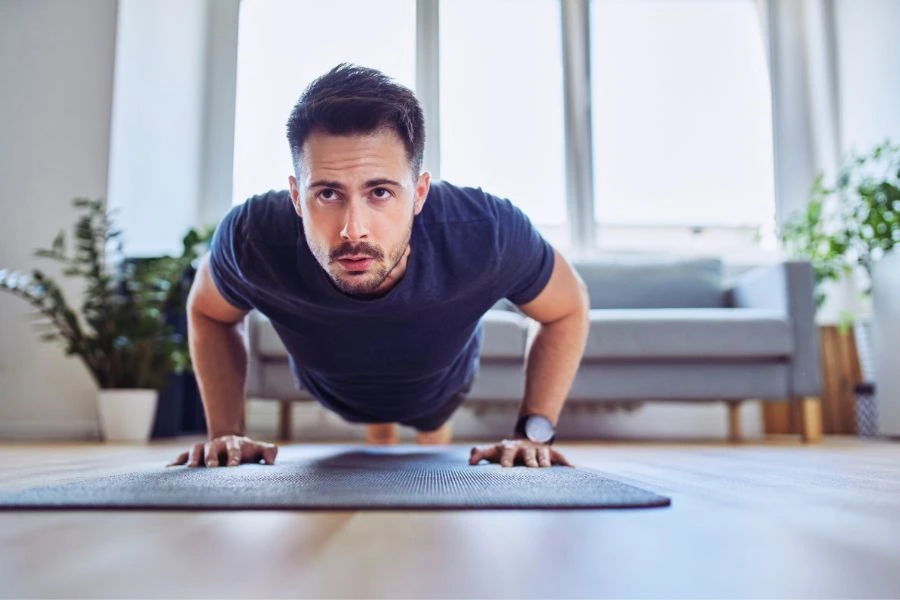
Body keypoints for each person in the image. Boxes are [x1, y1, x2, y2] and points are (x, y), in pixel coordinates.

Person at [168, 64, 589, 470]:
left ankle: (423, 430)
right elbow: (208, 311)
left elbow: (567, 307)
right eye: (328, 194)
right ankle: (382, 429)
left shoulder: (487, 231)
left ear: (420, 193)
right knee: (380, 439)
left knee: (430, 444)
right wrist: (226, 432)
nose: (354, 230)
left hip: (439, 386)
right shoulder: (252, 236)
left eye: (381, 192)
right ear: (296, 197)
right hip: (336, 390)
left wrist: (533, 433)